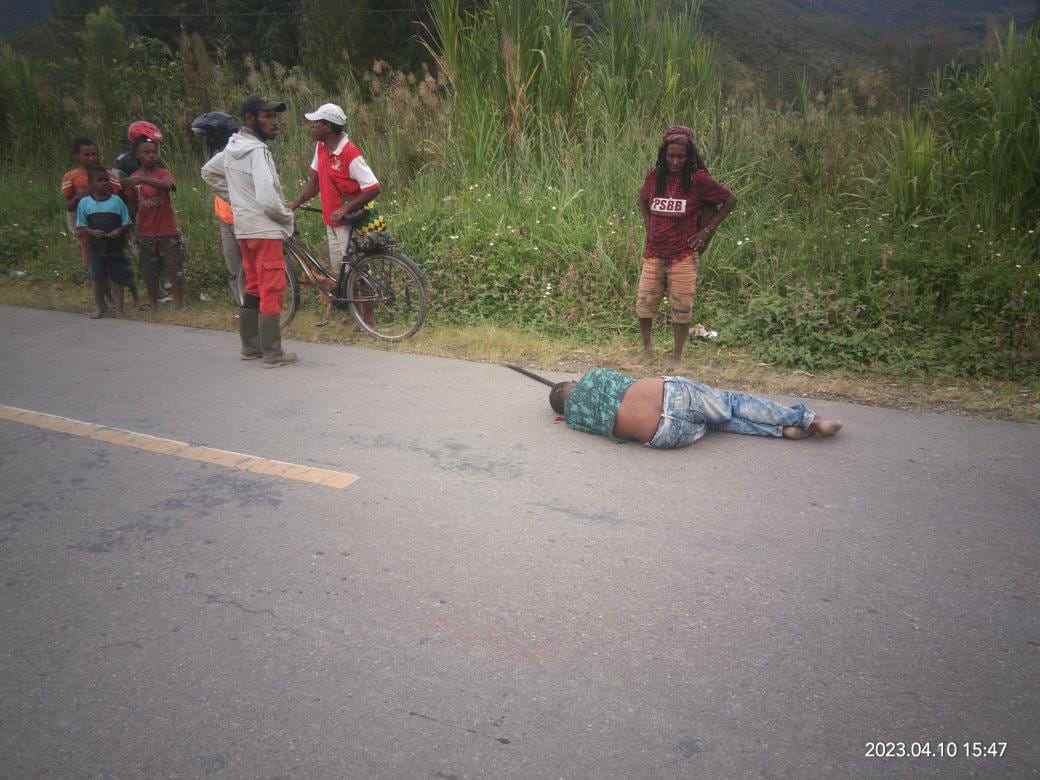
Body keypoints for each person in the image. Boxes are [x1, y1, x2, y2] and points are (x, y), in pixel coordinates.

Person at [507, 365, 842, 448]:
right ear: (574, 385)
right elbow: (624, 381)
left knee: (718, 422)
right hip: (674, 398)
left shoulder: (574, 422)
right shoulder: (593, 377)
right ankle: (809, 418)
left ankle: (783, 431)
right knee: (729, 402)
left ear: (562, 413)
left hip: (669, 436)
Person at [201, 96, 298, 367]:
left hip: (244, 229)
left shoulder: (233, 146)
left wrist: (239, 200)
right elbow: (268, 199)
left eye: (274, 116)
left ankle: (250, 347)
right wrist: (286, 216)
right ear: (249, 119)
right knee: (273, 287)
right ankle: (272, 352)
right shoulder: (257, 151)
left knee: (254, 285)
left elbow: (208, 172)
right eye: (267, 117)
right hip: (264, 229)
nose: (274, 122)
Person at [637, 126, 736, 361]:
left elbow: (730, 200)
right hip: (654, 252)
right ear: (664, 155)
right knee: (644, 303)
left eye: (680, 156)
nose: (675, 161)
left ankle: (677, 357)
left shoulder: (698, 180)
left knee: (681, 309)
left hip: (683, 255)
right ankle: (647, 351)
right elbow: (642, 199)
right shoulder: (654, 177)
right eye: (671, 156)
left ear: (689, 156)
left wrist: (705, 231)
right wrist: (648, 225)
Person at [287, 102, 381, 325]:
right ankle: (356, 316)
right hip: (332, 222)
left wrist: (346, 208)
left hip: (352, 221)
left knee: (357, 272)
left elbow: (373, 187)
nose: (311, 128)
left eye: (315, 124)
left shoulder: (350, 153)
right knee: (342, 272)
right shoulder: (321, 148)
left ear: (327, 127)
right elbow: (315, 182)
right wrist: (296, 203)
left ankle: (368, 320)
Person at [75, 165, 142, 319]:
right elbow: (81, 226)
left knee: (117, 279)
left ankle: (120, 309)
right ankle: (100, 307)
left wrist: (118, 231)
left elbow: (126, 222)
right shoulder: (85, 203)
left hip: (115, 248)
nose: (105, 183)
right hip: (96, 249)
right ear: (91, 184)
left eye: (107, 180)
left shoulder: (117, 201)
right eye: (100, 180)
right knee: (97, 279)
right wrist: (93, 232)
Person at [191, 112, 242, 298]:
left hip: (242, 217)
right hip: (225, 218)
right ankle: (243, 303)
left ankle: (257, 304)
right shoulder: (216, 155)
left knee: (250, 266)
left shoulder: (235, 154)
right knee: (234, 266)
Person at [129, 137, 185, 309]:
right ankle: (153, 304)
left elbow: (169, 186)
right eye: (146, 152)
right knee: (149, 269)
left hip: (167, 229)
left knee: (173, 267)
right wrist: (134, 230)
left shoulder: (162, 173)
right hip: (145, 231)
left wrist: (144, 181)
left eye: (154, 152)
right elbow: (132, 205)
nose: (151, 155)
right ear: (138, 155)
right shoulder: (133, 178)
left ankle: (179, 304)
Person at [62, 138, 121, 277]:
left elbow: (117, 193)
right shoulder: (71, 176)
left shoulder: (107, 173)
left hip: (107, 217)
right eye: (87, 155)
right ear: (76, 156)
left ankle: (110, 275)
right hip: (84, 220)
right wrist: (82, 195)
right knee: (87, 246)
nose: (91, 158)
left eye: (94, 154)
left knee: (108, 246)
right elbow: (69, 204)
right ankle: (93, 276)